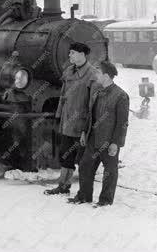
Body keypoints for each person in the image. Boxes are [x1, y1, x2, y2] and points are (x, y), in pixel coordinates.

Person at [68, 61, 129, 206]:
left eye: (98, 73)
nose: (95, 75)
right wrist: (84, 132)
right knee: (84, 166)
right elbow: (90, 115)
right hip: (92, 139)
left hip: (108, 141)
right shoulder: (97, 92)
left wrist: (115, 143)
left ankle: (105, 200)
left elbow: (122, 123)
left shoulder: (121, 96)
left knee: (109, 172)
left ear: (106, 76)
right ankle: (84, 196)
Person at [44, 42, 98, 195]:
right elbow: (63, 96)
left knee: (83, 160)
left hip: (82, 126)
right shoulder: (69, 71)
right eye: (70, 53)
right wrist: (59, 115)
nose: (69, 55)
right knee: (65, 155)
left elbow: (92, 105)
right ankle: (63, 186)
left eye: (73, 53)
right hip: (67, 123)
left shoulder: (93, 75)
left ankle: (84, 192)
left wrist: (86, 129)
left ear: (82, 54)